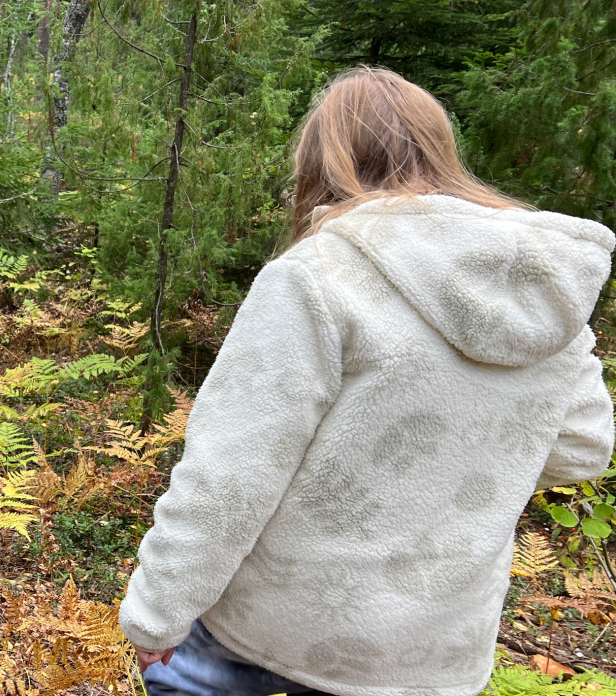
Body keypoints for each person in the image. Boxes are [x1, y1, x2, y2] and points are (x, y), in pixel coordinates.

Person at [119, 66, 615, 696]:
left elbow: (230, 474)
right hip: (432, 656)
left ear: (322, 160)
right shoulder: (544, 295)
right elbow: (581, 450)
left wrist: (155, 615)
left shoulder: (317, 275)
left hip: (269, 638)